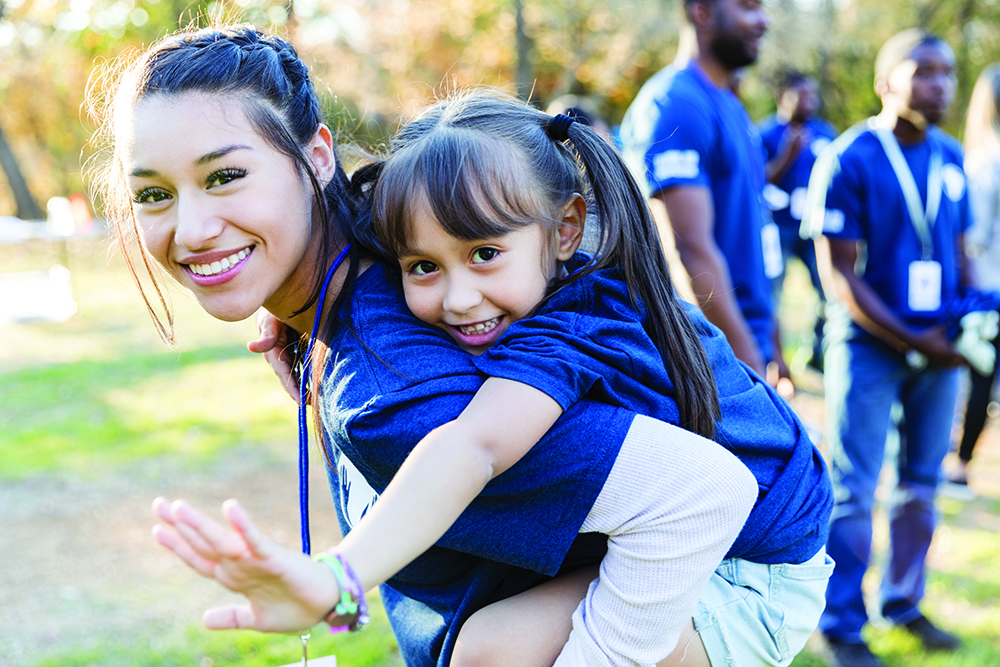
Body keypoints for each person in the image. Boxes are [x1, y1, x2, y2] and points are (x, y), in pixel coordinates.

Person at [88, 25, 830, 667]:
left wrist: (338, 579)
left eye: (226, 175)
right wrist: (292, 317)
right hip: (754, 506)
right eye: (153, 193)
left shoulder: (395, 390)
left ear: (317, 157)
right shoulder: (412, 226)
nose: (190, 229)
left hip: (748, 552)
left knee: (490, 652)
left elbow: (695, 490)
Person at [803, 28, 969, 667]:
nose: (939, 84)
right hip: (870, 346)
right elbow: (837, 275)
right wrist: (911, 337)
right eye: (923, 71)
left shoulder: (950, 155)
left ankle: (902, 601)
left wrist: (969, 321)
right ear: (885, 81)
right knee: (854, 486)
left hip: (940, 347)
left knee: (922, 485)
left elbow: (958, 253)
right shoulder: (848, 157)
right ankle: (841, 623)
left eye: (948, 73)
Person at [620, 0, 787, 384]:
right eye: (748, 6)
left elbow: (750, 232)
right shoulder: (677, 105)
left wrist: (771, 343)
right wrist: (747, 369)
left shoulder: (728, 102)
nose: (764, 20)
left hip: (747, 342)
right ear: (702, 12)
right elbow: (689, 249)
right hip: (715, 360)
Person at [758, 71, 838, 371]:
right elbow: (758, 182)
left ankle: (816, 352)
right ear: (783, 97)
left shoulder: (826, 133)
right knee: (773, 293)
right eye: (801, 95)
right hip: (778, 228)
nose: (810, 102)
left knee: (828, 289)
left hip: (814, 227)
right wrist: (786, 156)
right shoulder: (764, 134)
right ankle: (771, 359)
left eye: (813, 95)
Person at [945, 63, 1000, 491]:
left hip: (987, 290)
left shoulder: (984, 163)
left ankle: (960, 467)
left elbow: (973, 237)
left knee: (977, 376)